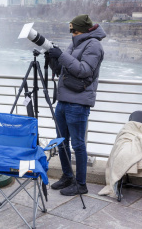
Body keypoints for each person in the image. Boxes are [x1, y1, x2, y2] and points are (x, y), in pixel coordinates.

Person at [47, 14, 105, 196]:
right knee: (61, 142)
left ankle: (81, 184)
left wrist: (62, 56)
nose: (73, 34)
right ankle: (67, 176)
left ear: (83, 30)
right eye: (72, 31)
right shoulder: (75, 43)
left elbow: (84, 70)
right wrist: (53, 59)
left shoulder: (94, 45)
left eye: (75, 31)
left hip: (78, 103)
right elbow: (65, 69)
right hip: (63, 100)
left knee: (78, 145)